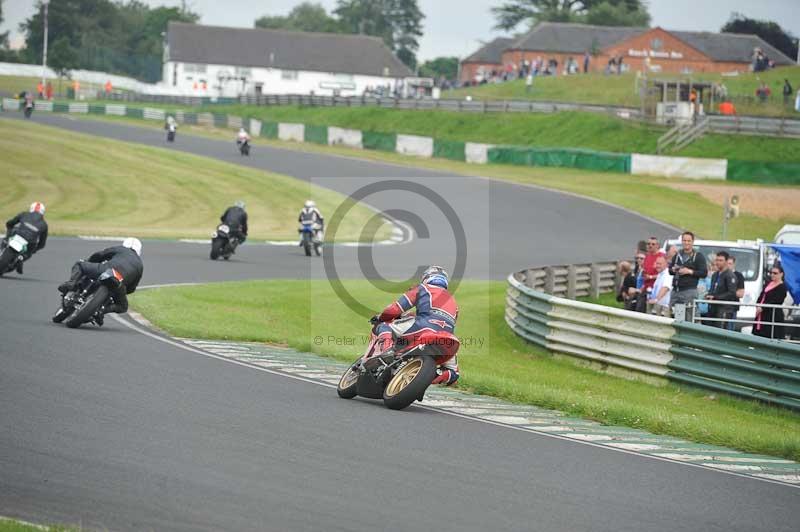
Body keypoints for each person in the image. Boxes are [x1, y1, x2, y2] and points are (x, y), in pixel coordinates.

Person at [371, 266, 460, 386]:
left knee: (384, 326)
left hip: (423, 327)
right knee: (454, 372)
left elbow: (395, 309)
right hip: (447, 338)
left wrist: (381, 317)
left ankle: (387, 351)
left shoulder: (422, 288)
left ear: (426, 278)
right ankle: (434, 377)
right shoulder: (454, 303)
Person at [56, 238, 144, 325]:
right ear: (139, 251)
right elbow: (132, 288)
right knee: (123, 307)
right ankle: (102, 310)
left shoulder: (121, 249)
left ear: (125, 245)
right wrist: (121, 290)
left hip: (105, 270)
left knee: (80, 264)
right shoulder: (140, 265)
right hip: (119, 282)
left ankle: (71, 284)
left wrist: (90, 261)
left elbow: (100, 254)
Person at [669, 231, 708, 321]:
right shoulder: (677, 255)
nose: (686, 243)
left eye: (688, 241)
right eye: (684, 240)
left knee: (690, 317)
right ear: (682, 241)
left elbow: (704, 273)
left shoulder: (698, 256)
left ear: (692, 242)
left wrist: (689, 271)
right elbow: (670, 270)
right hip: (676, 290)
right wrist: (674, 269)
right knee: (674, 317)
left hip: (689, 291)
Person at [4, 202, 49, 274]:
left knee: (11, 233)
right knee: (30, 250)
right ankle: (22, 257)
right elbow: (42, 244)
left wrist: (8, 231)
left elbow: (10, 223)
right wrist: (34, 250)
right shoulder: (44, 224)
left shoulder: (24, 214)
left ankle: (6, 243)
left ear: (31, 208)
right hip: (30, 241)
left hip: (18, 235)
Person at [753, 264, 788, 340]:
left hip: (772, 314)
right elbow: (761, 295)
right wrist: (758, 305)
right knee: (759, 336)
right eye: (771, 273)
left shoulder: (782, 287)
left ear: (781, 274)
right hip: (761, 314)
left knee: (770, 334)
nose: (772, 275)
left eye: (775, 273)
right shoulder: (768, 283)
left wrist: (763, 307)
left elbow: (777, 301)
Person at [705, 251, 739, 328]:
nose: (718, 262)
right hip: (713, 308)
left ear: (726, 262)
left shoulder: (730, 275)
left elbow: (732, 293)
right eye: (717, 260)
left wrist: (716, 297)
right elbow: (712, 289)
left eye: (721, 260)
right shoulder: (715, 275)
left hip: (724, 309)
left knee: (720, 332)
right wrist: (708, 295)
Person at [726, 255, 746, 330]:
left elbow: (741, 293)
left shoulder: (739, 276)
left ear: (734, 264)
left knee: (730, 328)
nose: (728, 265)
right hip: (720, 306)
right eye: (727, 263)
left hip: (732, 306)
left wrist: (728, 292)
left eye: (730, 263)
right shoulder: (720, 274)